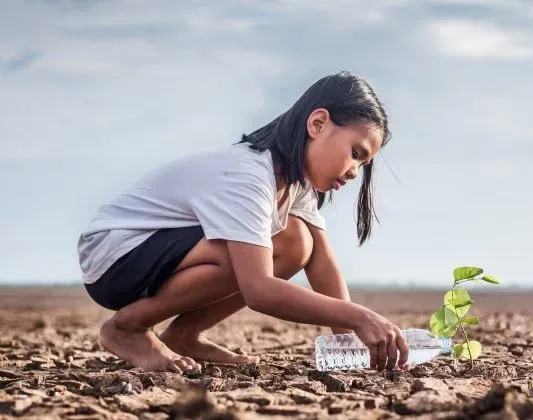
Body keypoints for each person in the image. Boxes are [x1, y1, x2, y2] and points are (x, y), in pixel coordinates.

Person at [76, 71, 409, 374]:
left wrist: (351, 342)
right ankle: (127, 328)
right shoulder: (248, 175)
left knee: (297, 242)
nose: (354, 171)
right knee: (243, 251)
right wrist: (359, 317)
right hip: (115, 256)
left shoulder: (294, 183)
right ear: (318, 124)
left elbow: (322, 263)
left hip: (154, 253)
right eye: (356, 153)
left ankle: (184, 335)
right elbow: (259, 290)